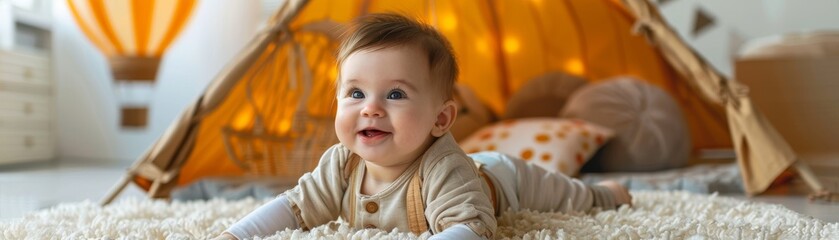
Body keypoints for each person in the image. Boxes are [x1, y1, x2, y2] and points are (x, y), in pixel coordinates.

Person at [216, 13, 631, 240]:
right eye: (355, 94)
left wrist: (602, 197)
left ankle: (608, 192)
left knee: (573, 198)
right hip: (480, 168)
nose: (371, 109)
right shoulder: (340, 164)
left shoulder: (442, 168)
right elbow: (293, 206)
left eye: (395, 95)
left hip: (502, 177)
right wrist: (236, 235)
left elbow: (471, 227)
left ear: (441, 119)